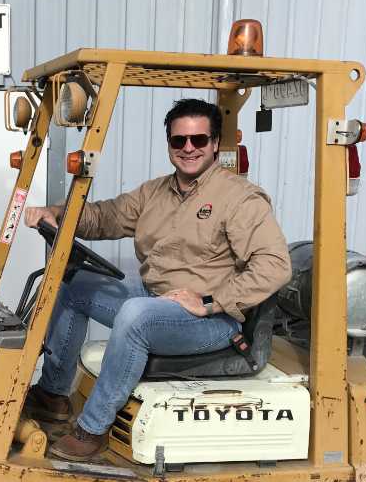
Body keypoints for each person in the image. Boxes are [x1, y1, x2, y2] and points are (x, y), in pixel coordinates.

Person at [22, 98, 292, 462]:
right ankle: (53, 394)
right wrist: (57, 213)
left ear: (214, 144)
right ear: (169, 145)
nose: (189, 149)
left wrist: (209, 301)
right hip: (158, 299)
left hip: (211, 320)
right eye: (179, 141)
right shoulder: (155, 192)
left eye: (198, 140)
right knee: (74, 285)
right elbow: (104, 217)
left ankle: (93, 428)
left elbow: (274, 265)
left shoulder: (238, 198)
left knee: (135, 316)